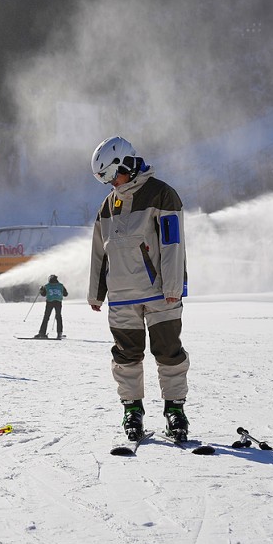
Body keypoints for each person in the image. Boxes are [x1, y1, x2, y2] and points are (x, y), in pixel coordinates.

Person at [87, 136, 191, 443]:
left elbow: (173, 244)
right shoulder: (108, 205)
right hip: (121, 299)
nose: (109, 183)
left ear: (126, 164)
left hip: (160, 294)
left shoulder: (162, 194)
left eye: (109, 175)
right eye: (102, 179)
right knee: (125, 356)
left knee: (169, 352)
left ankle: (175, 409)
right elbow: (98, 251)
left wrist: (173, 286)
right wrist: (96, 292)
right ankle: (132, 409)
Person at [34, 274, 68, 339]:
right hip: (58, 302)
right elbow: (65, 294)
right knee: (58, 317)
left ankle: (42, 333)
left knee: (46, 317)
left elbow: (43, 294)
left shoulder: (47, 286)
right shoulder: (61, 286)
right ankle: (59, 333)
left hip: (49, 302)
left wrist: (41, 290)